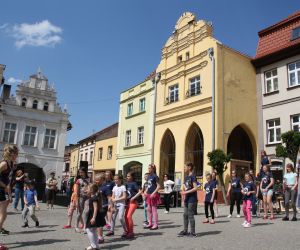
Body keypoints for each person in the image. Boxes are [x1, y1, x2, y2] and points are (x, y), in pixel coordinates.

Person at [0, 144, 18, 235]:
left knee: (2, 214)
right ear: (11, 154)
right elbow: (5, 183)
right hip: (1, 189)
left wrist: (10, 195)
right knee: (3, 214)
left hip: (3, 190)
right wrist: (5, 187)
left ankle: (1, 228)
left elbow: (8, 181)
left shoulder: (11, 164)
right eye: (16, 154)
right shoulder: (4, 164)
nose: (17, 156)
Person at [177, 162, 198, 237]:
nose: (184, 168)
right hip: (187, 198)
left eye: (185, 167)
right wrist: (181, 190)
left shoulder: (193, 176)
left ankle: (193, 232)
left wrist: (185, 192)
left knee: (190, 215)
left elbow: (195, 188)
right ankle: (185, 230)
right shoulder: (186, 177)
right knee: (185, 214)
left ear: (189, 167)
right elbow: (185, 186)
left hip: (192, 199)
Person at [85, 183, 104, 250]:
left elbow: (96, 208)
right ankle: (96, 246)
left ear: (92, 190)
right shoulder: (93, 197)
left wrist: (93, 218)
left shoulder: (94, 198)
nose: (86, 190)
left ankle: (93, 246)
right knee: (93, 230)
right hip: (93, 215)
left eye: (88, 188)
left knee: (88, 229)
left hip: (94, 215)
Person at [94, 173, 112, 243]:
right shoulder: (96, 187)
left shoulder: (106, 187)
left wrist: (110, 205)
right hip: (97, 206)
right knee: (98, 222)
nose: (96, 181)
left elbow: (109, 197)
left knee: (99, 222)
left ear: (102, 180)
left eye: (97, 180)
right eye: (95, 180)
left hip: (104, 206)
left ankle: (100, 238)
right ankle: (99, 237)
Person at [124, 171, 141, 239]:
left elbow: (140, 191)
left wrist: (133, 197)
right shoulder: (125, 184)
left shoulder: (134, 184)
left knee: (128, 216)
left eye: (128, 176)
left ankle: (131, 232)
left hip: (133, 202)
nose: (127, 177)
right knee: (125, 217)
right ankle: (128, 231)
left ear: (132, 177)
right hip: (127, 203)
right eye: (127, 176)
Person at [144, 164, 161, 230]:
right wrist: (146, 191)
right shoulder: (148, 177)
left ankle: (155, 224)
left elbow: (158, 186)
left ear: (153, 169)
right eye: (148, 168)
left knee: (154, 210)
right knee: (149, 210)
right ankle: (150, 223)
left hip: (153, 195)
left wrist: (153, 193)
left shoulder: (155, 176)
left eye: (150, 168)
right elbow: (148, 186)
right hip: (148, 194)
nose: (149, 169)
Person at [75, 167, 90, 233]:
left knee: (86, 211)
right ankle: (76, 226)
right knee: (80, 212)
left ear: (85, 172)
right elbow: (77, 191)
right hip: (81, 197)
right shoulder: (78, 180)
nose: (80, 174)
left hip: (88, 197)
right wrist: (77, 200)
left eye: (81, 172)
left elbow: (91, 187)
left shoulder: (89, 179)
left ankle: (85, 227)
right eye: (79, 172)